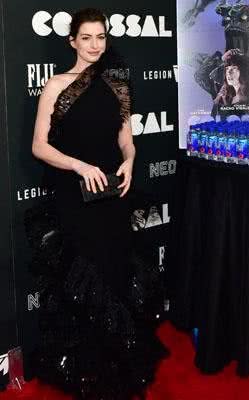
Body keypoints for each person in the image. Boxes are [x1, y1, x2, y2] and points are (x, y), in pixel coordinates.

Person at [28, 8, 166, 399]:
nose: (94, 45)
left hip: (112, 192)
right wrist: (79, 166)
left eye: (100, 37)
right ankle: (85, 363)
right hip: (75, 193)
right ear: (72, 41)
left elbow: (127, 138)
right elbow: (39, 146)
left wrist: (130, 160)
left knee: (115, 268)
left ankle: (116, 357)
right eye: (86, 37)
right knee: (85, 274)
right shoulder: (56, 85)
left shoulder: (117, 86)